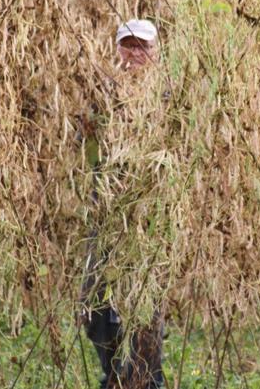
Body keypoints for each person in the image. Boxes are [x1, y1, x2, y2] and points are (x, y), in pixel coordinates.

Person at [79, 19, 165, 389]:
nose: (134, 54)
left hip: (149, 231)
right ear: (116, 51)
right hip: (108, 227)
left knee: (145, 321)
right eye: (127, 45)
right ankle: (113, 378)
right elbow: (89, 157)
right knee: (99, 315)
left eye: (142, 46)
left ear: (155, 52)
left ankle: (144, 381)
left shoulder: (166, 101)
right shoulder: (102, 100)